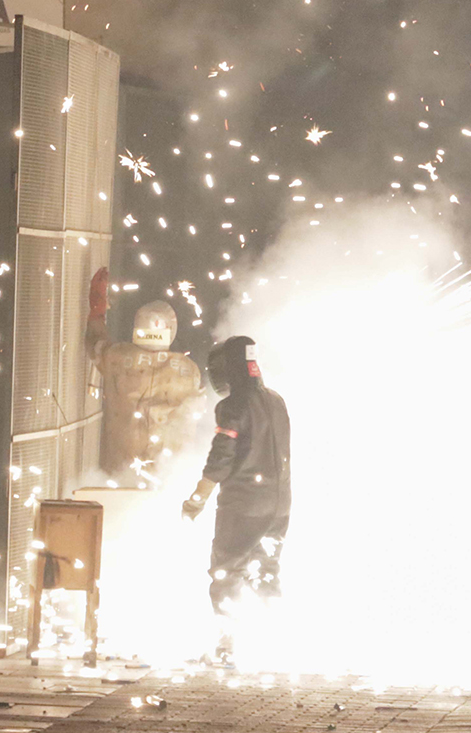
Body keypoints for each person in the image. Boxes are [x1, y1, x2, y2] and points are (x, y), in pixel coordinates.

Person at [182, 336, 291, 664]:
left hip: (244, 504)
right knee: (266, 571)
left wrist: (196, 499)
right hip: (280, 502)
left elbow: (221, 459)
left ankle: (225, 649)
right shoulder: (277, 401)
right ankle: (281, 643)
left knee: (227, 573)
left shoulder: (232, 406)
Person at [86, 268, 203, 477]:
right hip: (169, 476)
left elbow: (94, 343)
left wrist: (97, 310)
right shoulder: (188, 371)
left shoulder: (117, 358)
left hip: (119, 471)